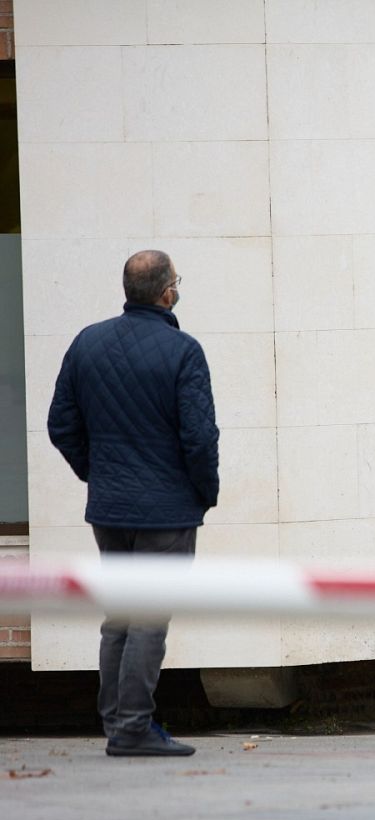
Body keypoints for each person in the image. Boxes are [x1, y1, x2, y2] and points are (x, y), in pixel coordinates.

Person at [47, 250, 217, 758]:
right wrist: (202, 494)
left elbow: (62, 425)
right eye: (176, 282)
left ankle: (116, 722)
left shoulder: (87, 343)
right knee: (147, 619)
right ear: (166, 292)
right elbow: (199, 438)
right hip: (167, 511)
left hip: (109, 509)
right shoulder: (183, 351)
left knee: (119, 616)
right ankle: (134, 727)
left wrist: (96, 474)